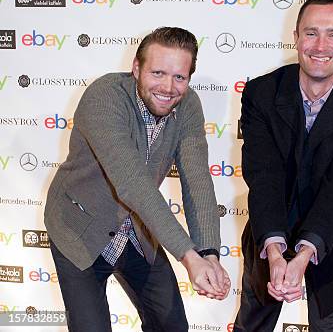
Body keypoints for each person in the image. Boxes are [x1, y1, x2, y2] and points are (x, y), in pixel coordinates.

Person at [44, 27, 230, 332]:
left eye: (180, 77)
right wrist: (188, 256)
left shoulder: (188, 106)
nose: (168, 87)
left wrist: (207, 253)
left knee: (172, 326)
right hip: (78, 228)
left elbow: (197, 181)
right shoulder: (104, 97)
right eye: (158, 72)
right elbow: (132, 183)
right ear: (136, 68)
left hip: (137, 231)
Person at [234, 0, 333, 331]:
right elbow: (264, 175)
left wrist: (305, 252)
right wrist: (275, 250)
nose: (321, 45)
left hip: (331, 231)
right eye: (311, 33)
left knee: (328, 322)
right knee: (253, 320)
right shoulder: (260, 92)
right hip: (270, 225)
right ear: (296, 38)